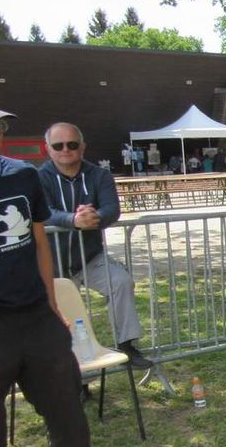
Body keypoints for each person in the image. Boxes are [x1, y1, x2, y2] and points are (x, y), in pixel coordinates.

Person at [0, 99, 120, 447]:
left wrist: (50, 302)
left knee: (67, 407)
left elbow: (40, 241)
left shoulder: (22, 178)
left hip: (36, 318)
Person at [38, 123, 152, 369]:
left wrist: (93, 217)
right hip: (53, 262)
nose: (66, 149)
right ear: (47, 149)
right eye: (58, 145)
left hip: (89, 258)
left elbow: (112, 209)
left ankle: (127, 346)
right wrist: (72, 220)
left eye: (72, 144)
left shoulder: (99, 175)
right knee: (65, 311)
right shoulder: (38, 177)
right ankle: (76, 373)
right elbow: (42, 212)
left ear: (83, 147)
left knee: (121, 281)